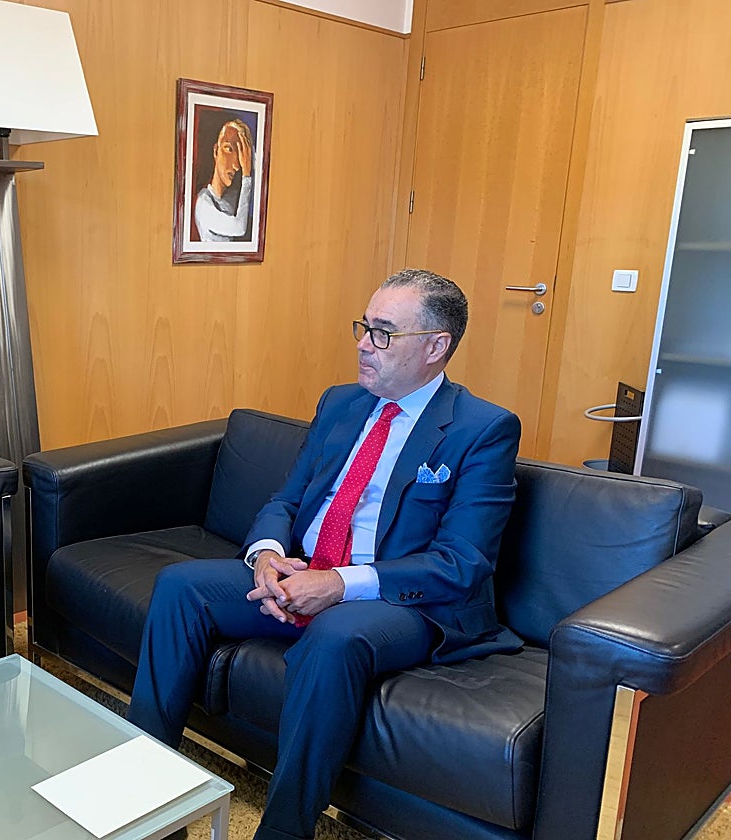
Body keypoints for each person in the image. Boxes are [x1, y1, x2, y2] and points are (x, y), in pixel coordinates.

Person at [127, 269, 522, 840]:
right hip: (307, 573)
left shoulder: (482, 429)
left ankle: (284, 832)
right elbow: (286, 500)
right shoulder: (341, 404)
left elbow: (461, 562)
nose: (364, 343)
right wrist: (265, 556)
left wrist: (338, 584)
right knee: (180, 587)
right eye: (365, 326)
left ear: (436, 347)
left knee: (335, 637)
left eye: (384, 333)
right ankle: (146, 793)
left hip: (406, 602)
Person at [194, 118, 254, 242]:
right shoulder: (203, 202)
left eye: (240, 156)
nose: (236, 165)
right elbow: (239, 228)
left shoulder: (232, 199)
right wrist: (247, 175)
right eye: (229, 149)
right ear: (216, 151)